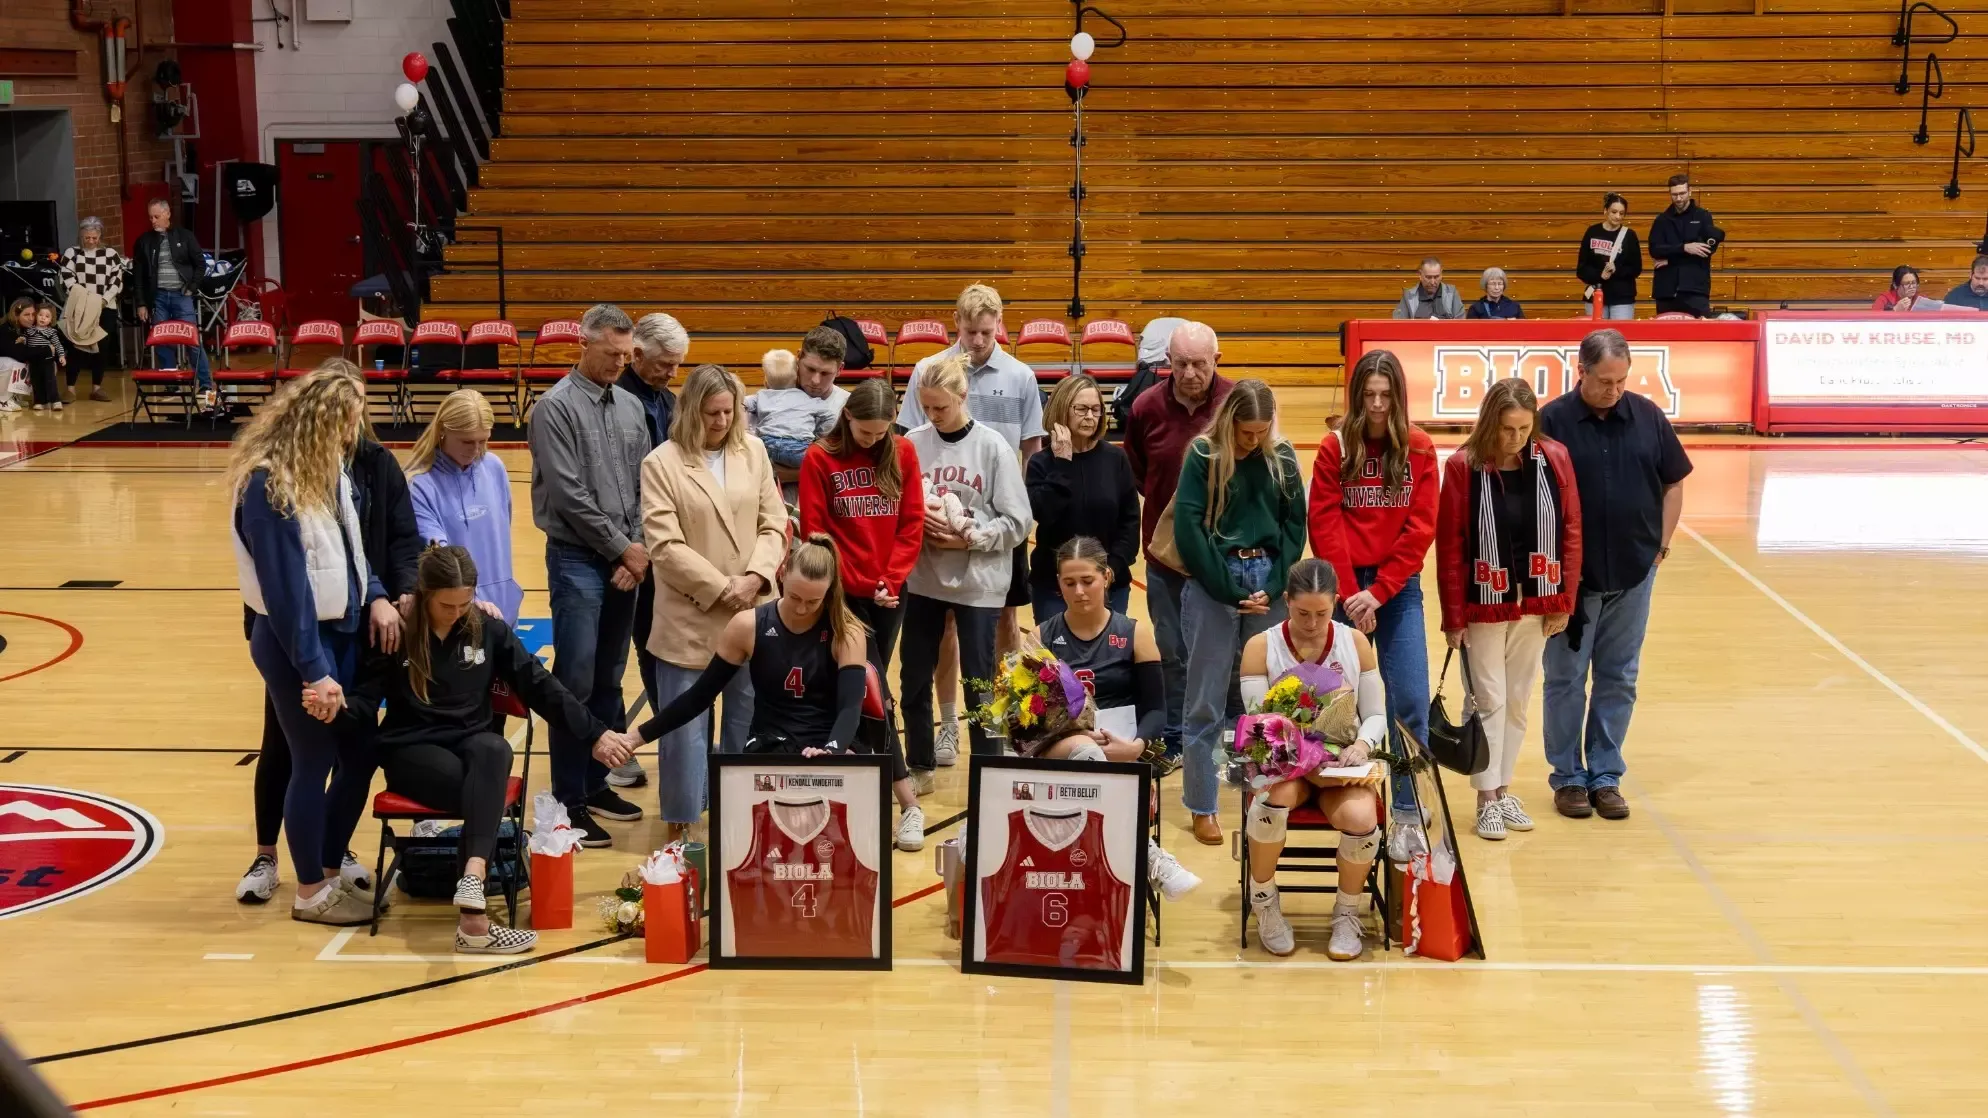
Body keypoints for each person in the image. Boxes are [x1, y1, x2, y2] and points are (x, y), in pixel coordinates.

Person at [339, 545, 640, 954]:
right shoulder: (399, 633)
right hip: (413, 751)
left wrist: (597, 735)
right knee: (484, 789)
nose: (458, 612)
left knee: (495, 750)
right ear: (424, 594)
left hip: (472, 749)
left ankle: (473, 880)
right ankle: (474, 925)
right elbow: (363, 701)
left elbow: (541, 687)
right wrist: (333, 708)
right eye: (448, 605)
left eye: (466, 602)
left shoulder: (486, 628)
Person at [236, 359, 423, 905]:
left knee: (360, 752)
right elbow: (286, 592)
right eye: (350, 419)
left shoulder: (330, 474)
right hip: (296, 642)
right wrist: (314, 670)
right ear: (322, 420)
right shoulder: (270, 484)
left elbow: (354, 558)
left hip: (341, 632)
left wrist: (376, 596)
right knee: (311, 760)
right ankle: (309, 890)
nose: (355, 431)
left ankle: (327, 863)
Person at [625, 535, 927, 851]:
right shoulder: (747, 625)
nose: (801, 608)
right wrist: (637, 737)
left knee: (840, 823)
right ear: (781, 576)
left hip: (828, 741)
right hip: (771, 741)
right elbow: (698, 697)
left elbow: (850, 708)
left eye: (813, 601)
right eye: (795, 596)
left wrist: (833, 750)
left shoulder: (846, 630)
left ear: (829, 591)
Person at [1536, 329, 1691, 821]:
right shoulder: (1552, 421)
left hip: (1633, 573)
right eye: (1604, 380)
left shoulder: (1648, 417)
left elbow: (1673, 483)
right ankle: (1567, 777)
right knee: (1565, 679)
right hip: (1569, 582)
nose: (1614, 389)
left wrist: (1660, 548)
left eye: (1622, 380)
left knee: (1619, 678)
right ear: (1580, 370)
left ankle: (1605, 774)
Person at [640, 363, 786, 840]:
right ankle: (682, 827)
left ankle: (744, 818)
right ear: (689, 412)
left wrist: (756, 578)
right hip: (690, 615)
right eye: (710, 414)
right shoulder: (660, 463)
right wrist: (724, 588)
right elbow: (664, 545)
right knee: (684, 732)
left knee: (748, 720)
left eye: (728, 412)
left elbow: (775, 523)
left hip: (753, 611)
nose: (721, 422)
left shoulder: (756, 452)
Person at [898, 283, 1044, 762]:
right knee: (913, 676)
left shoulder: (994, 446)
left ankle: (988, 766)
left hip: (980, 573)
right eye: (927, 407)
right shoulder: (916, 440)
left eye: (941, 407)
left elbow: (1018, 518)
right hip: (924, 576)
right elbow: (899, 506)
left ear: (961, 396)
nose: (933, 415)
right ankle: (920, 761)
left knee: (981, 678)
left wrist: (974, 539)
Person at [1435, 379, 1582, 840]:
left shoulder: (1553, 457)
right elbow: (1451, 546)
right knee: (1488, 700)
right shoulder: (1463, 466)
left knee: (1517, 701)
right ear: (1488, 423)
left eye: (1523, 428)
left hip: (1536, 601)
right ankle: (1484, 796)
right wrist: (1453, 616)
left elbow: (1571, 532)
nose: (1515, 438)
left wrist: (1565, 601)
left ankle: (1502, 788)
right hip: (1483, 604)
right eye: (1506, 429)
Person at [527, 303, 651, 846]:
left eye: (627, 356)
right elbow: (569, 496)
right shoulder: (553, 409)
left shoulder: (630, 406)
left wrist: (639, 547)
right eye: (611, 354)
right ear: (584, 344)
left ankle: (597, 783)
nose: (620, 365)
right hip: (578, 558)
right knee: (573, 680)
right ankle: (568, 799)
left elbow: (650, 482)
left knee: (608, 676)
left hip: (626, 560)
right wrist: (626, 548)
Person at [1308, 349, 1439, 823]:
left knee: (1409, 698)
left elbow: (1422, 527)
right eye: (1370, 395)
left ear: (1399, 396)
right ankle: (1333, 797)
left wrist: (1379, 592)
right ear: (1357, 395)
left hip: (1397, 589)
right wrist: (1349, 593)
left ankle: (1407, 808)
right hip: (1342, 590)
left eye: (1387, 395)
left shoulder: (1420, 448)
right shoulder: (1335, 447)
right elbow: (1324, 524)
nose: (1379, 405)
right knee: (1331, 701)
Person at [1176, 378, 1307, 846]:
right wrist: (1228, 589)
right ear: (1230, 420)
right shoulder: (1203, 455)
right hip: (1215, 581)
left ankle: (1266, 796)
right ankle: (1202, 804)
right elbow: (1189, 528)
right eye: (1245, 432)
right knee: (1206, 700)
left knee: (1266, 701)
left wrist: (1273, 587)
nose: (1252, 440)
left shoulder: (1282, 458)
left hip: (1267, 579)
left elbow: (1295, 526)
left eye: (1260, 432)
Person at [1239, 559, 1387, 960]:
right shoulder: (1260, 647)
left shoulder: (1355, 642)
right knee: (1273, 800)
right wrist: (1306, 756)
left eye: (1322, 613)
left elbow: (1375, 714)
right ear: (1286, 601)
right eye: (1302, 613)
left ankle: (1346, 912)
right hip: (1285, 766)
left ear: (1337, 602)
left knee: (1361, 819)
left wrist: (1363, 746)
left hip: (1340, 767)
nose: (1312, 622)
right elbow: (1259, 725)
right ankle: (1265, 900)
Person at [797, 377, 924, 817]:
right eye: (865, 432)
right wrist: (859, 584)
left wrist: (890, 579)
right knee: (873, 691)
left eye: (881, 432)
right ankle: (905, 800)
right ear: (846, 415)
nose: (873, 441)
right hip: (842, 595)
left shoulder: (904, 452)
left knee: (869, 688)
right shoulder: (819, 457)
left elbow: (911, 524)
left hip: (890, 594)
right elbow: (816, 533)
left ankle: (861, 770)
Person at [1124, 321, 1233, 755]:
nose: (1190, 373)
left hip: (1221, 554)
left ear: (1216, 362)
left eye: (1199, 364)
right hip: (1164, 556)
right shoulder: (1145, 406)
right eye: (1181, 363)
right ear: (1167, 362)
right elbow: (1136, 470)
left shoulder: (1234, 402)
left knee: (1221, 648)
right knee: (1170, 648)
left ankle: (1221, 732)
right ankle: (1174, 734)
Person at [610, 311, 691, 791]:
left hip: (664, 544)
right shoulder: (617, 402)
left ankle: (671, 730)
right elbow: (622, 483)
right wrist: (630, 548)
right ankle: (615, 748)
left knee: (658, 642)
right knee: (616, 653)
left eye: (678, 365)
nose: (672, 374)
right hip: (626, 547)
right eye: (664, 364)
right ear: (636, 355)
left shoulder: (668, 400)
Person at [1031, 537, 1170, 771]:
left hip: (1122, 749)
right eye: (1069, 583)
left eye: (1087, 581)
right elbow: (1030, 716)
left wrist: (1136, 747)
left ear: (1106, 577)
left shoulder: (1135, 634)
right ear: (1058, 583)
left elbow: (1156, 709)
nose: (1079, 591)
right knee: (1085, 751)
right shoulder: (1040, 637)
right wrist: (1075, 735)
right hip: (1062, 748)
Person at [1025, 373, 1139, 621]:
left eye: (1095, 410)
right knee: (1056, 661)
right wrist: (1063, 464)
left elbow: (1129, 523)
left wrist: (1111, 569)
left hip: (1110, 584)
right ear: (1062, 409)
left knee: (1110, 659)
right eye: (1081, 409)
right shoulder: (1041, 463)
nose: (1089, 416)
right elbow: (1044, 513)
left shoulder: (1115, 459)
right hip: (1054, 589)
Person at [406, 389, 522, 624]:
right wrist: (471, 600)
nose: (476, 449)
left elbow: (501, 531)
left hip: (504, 605)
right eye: (467, 441)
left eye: (484, 440)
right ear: (442, 431)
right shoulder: (420, 484)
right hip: (459, 609)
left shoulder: (495, 468)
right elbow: (439, 553)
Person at [132, 197, 214, 405]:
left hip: (181, 294)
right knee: (162, 341)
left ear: (168, 214)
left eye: (157, 216)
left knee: (192, 340)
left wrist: (192, 287)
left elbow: (200, 265)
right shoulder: (144, 241)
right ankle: (171, 383)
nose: (153, 221)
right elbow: (139, 276)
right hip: (158, 296)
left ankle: (205, 383)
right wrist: (141, 303)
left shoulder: (185, 236)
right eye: (150, 217)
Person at [58, 215, 124, 402]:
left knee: (102, 347)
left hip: (105, 307)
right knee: (77, 345)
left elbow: (116, 280)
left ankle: (97, 387)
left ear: (100, 235)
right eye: (87, 237)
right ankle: (70, 389)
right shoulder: (72, 253)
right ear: (81, 235)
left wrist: (102, 301)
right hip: (80, 306)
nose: (91, 241)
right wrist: (85, 300)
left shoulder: (111, 254)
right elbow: (67, 277)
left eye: (95, 238)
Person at [746, 346, 838, 470]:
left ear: (766, 381)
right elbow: (829, 415)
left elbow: (743, 404)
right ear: (796, 378)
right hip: (797, 448)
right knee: (821, 464)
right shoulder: (808, 399)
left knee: (755, 464)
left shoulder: (760, 396)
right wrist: (819, 435)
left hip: (767, 446)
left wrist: (746, 429)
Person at [1649, 174, 1724, 318]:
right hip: (1666, 291)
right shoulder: (1661, 220)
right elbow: (1655, 250)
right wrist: (1684, 248)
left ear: (1690, 191)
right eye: (1674, 194)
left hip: (1695, 290)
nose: (1678, 198)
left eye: (1682, 193)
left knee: (1699, 336)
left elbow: (1705, 251)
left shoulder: (1703, 216)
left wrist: (1670, 260)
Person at [1577, 193, 1644, 321]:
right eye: (1614, 212)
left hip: (1622, 298)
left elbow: (1636, 268)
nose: (1618, 216)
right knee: (1597, 337)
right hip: (1596, 294)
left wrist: (1616, 269)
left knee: (1619, 336)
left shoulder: (1630, 236)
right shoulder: (1592, 232)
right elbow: (1581, 269)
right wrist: (1599, 275)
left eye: (1621, 213)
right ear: (1605, 211)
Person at [1391, 258, 1465, 320]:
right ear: (1420, 275)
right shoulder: (1408, 297)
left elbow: (1460, 324)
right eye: (1428, 277)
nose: (1432, 282)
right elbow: (1399, 324)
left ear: (1441, 274)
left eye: (1436, 277)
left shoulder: (1452, 293)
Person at [23, 301, 62, 412]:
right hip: (34, 362)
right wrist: (23, 340)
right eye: (40, 315)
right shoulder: (29, 330)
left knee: (50, 380)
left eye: (47, 316)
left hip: (47, 361)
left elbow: (57, 345)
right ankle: (40, 401)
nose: (43, 318)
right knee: (36, 381)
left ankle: (55, 401)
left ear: (51, 319)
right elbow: (26, 342)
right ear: (36, 316)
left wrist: (61, 356)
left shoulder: (51, 332)